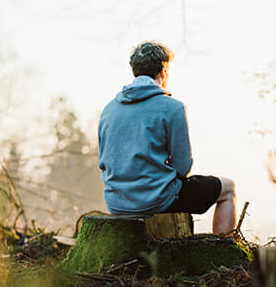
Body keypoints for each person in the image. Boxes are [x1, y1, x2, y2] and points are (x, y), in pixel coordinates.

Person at [98, 41, 237, 235]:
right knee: (228, 188)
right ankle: (226, 250)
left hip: (116, 203)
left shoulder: (109, 109)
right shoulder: (173, 107)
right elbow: (182, 167)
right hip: (157, 201)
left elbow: (103, 163)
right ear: (163, 71)